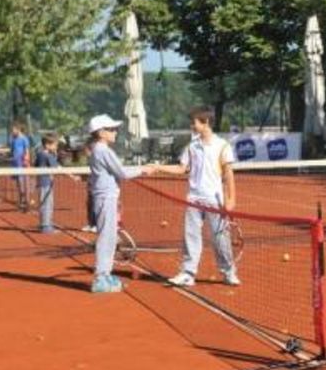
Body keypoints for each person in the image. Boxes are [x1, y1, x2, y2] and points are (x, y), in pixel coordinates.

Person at [162, 105, 240, 288]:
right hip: (193, 199)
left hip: (214, 200)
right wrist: (158, 167)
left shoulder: (222, 146)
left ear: (205, 123)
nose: (192, 125)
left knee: (220, 239)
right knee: (191, 237)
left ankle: (228, 272)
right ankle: (188, 273)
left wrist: (231, 200)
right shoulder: (192, 146)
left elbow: (228, 174)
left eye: (194, 122)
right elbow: (182, 168)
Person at [87, 114, 155, 293]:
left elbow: (118, 171)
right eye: (111, 129)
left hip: (107, 197)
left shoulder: (100, 150)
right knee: (106, 237)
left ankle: (105, 274)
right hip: (105, 198)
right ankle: (101, 277)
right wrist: (144, 170)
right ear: (101, 133)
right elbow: (122, 172)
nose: (115, 132)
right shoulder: (103, 151)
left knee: (110, 237)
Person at [34, 133, 60, 234]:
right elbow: (56, 167)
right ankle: (46, 226)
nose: (56, 147)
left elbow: (36, 165)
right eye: (55, 145)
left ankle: (45, 223)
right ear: (47, 145)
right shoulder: (48, 156)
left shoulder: (40, 154)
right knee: (47, 204)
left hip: (41, 182)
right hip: (46, 183)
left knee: (45, 203)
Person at [9, 120, 32, 211]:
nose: (12, 132)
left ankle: (27, 202)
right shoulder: (13, 139)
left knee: (25, 183)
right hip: (15, 164)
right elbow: (12, 151)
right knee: (19, 183)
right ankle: (21, 201)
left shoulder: (24, 139)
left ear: (18, 129)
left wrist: (26, 159)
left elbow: (27, 151)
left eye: (13, 130)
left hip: (22, 164)